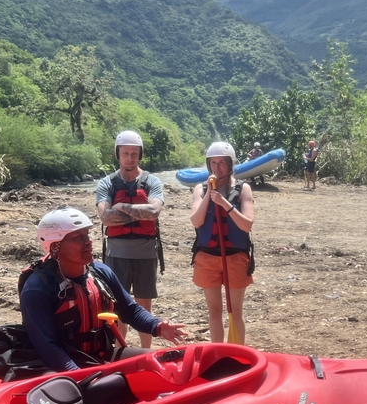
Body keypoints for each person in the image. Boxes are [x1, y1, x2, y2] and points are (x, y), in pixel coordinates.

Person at [20, 207, 186, 372]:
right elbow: (47, 346)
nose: (88, 241)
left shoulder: (100, 272)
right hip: (61, 364)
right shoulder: (37, 289)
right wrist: (77, 374)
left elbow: (130, 310)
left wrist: (157, 326)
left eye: (87, 234)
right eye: (78, 237)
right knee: (104, 388)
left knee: (160, 364)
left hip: (101, 355)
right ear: (55, 246)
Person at [96, 130, 165, 349]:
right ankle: (120, 353)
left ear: (139, 155)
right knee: (117, 309)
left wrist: (122, 207)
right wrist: (138, 211)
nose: (130, 158)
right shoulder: (107, 184)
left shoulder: (152, 181)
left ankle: (146, 352)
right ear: (118, 154)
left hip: (145, 253)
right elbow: (106, 218)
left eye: (134, 154)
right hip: (116, 254)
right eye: (125, 153)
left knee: (145, 307)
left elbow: (153, 212)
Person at [190, 142, 255, 343]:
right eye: (214, 163)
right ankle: (218, 353)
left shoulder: (243, 189)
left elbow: (246, 225)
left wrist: (225, 203)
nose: (217, 168)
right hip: (208, 257)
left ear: (230, 165)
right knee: (214, 311)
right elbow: (196, 221)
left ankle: (237, 355)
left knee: (236, 311)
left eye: (222, 163)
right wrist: (210, 195)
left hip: (235, 256)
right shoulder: (200, 189)